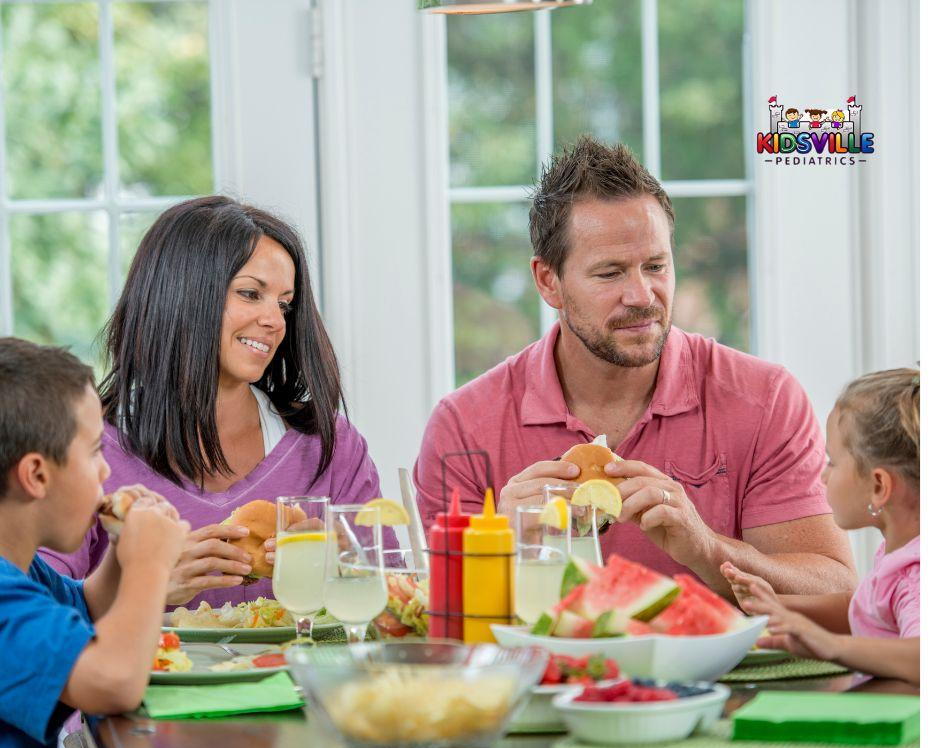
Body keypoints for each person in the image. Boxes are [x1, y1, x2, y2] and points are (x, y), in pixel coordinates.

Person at [414, 136, 856, 597]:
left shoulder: (765, 400)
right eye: (610, 273)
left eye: (655, 266)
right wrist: (499, 547)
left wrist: (706, 549)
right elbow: (436, 621)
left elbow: (836, 593)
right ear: (549, 282)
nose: (642, 296)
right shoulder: (463, 425)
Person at [41, 196, 391, 608]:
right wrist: (144, 587)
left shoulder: (330, 446)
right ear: (181, 295)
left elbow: (385, 613)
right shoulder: (87, 449)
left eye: (285, 303)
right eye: (250, 293)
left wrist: (339, 577)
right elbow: (26, 624)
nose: (276, 321)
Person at [0, 338, 188, 748]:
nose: (106, 470)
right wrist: (150, 564)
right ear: (36, 475)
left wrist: (122, 555)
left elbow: (88, 609)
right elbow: (113, 681)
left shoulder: (22, 569)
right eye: (94, 452)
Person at [722, 369, 919, 685]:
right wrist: (775, 606)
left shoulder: (916, 575)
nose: (823, 476)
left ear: (879, 486)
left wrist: (832, 646)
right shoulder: (901, 554)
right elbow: (858, 609)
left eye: (832, 462)